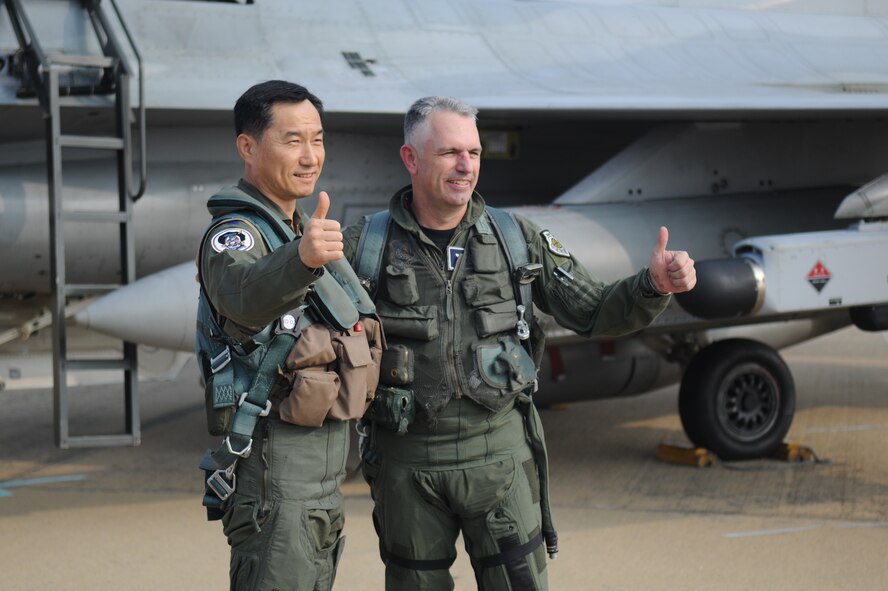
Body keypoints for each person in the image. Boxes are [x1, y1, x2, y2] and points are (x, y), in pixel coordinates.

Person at [342, 96, 696, 591]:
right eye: (449, 153)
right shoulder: (366, 247)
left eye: (475, 152)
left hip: (500, 458)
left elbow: (592, 310)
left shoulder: (515, 239)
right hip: (407, 464)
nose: (466, 166)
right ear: (411, 158)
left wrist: (653, 285)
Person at [197, 80, 378, 591]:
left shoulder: (296, 228)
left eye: (317, 139)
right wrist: (300, 261)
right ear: (248, 146)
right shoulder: (237, 234)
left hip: (319, 473)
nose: (310, 156)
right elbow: (242, 298)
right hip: (275, 472)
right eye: (292, 140)